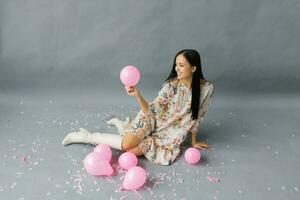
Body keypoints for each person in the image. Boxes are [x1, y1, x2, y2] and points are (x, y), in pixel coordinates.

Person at [62, 49, 215, 165]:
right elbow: (150, 110)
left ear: (193, 68)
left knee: (129, 152)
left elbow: (198, 116)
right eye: (176, 65)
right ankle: (86, 136)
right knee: (126, 144)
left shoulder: (206, 89)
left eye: (181, 65)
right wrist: (137, 95)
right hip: (150, 119)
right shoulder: (171, 86)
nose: (177, 69)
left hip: (168, 134)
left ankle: (123, 126)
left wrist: (194, 141)